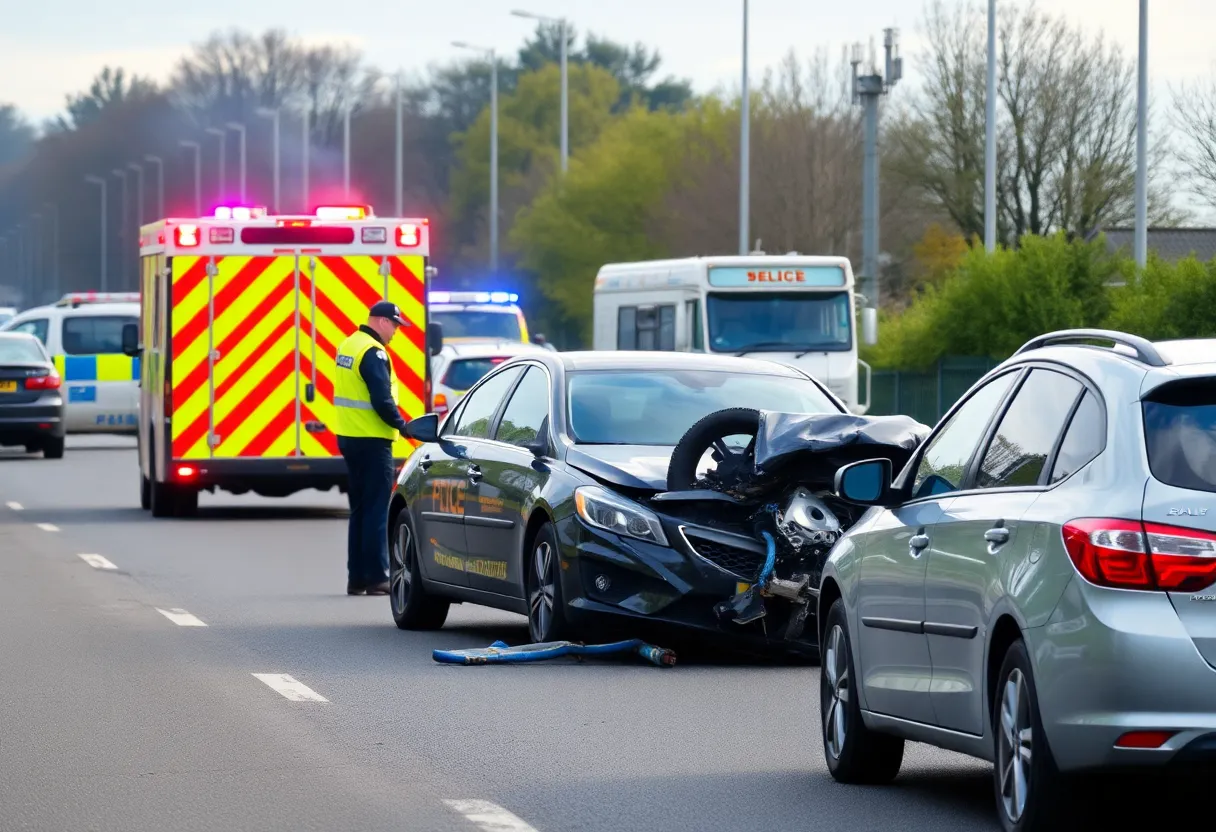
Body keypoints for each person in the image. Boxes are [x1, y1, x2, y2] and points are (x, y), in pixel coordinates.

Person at [333, 301, 411, 595]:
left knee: (360, 510)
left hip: (350, 437)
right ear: (381, 321)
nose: (395, 333)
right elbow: (381, 398)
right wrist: (401, 424)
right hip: (373, 439)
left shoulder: (348, 345)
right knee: (377, 510)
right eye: (394, 325)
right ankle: (378, 576)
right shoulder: (373, 351)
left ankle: (357, 578)